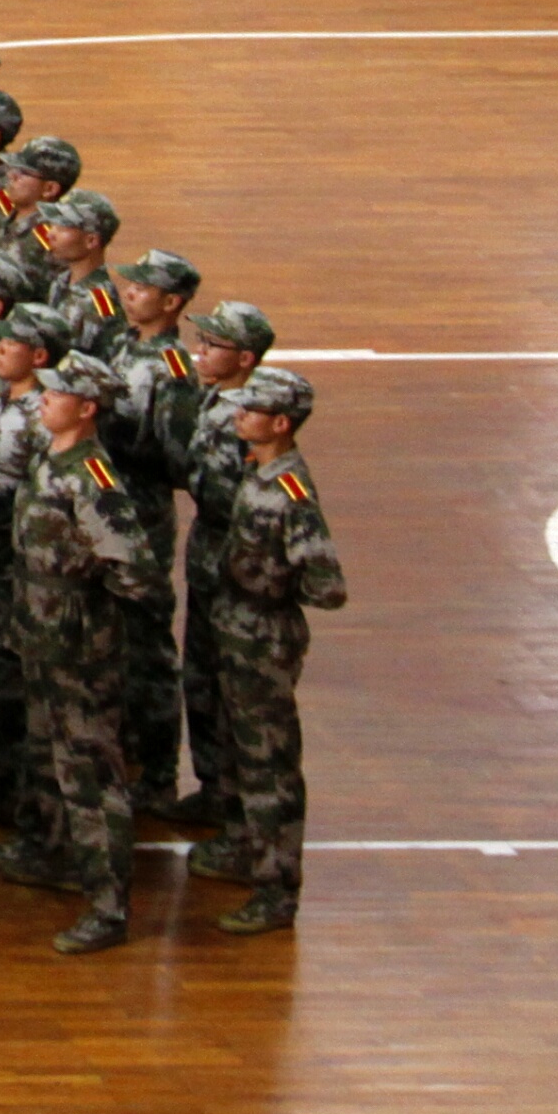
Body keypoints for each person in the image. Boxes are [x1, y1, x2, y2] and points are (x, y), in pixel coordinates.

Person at [1, 350, 162, 953]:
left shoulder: (94, 478)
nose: (44, 397)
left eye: (57, 391)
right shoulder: (51, 456)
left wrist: (86, 603)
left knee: (92, 776)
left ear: (87, 408)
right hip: (41, 634)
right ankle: (55, 856)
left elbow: (136, 569)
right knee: (49, 755)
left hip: (78, 647)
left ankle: (108, 906)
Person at [193, 364, 344, 935]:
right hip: (235, 627)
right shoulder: (254, 470)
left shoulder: (290, 491)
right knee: (238, 749)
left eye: (253, 409)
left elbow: (328, 585)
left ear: (281, 423)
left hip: (263, 636)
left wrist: (270, 588)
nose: (240, 414)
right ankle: (243, 847)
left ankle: (277, 889)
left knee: (268, 765)